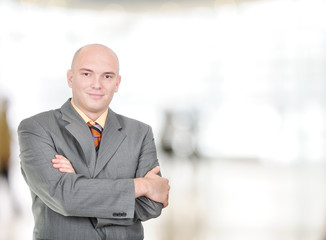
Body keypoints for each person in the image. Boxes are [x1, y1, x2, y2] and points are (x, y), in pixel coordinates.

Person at [18, 43, 170, 240]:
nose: (97, 84)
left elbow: (151, 206)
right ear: (70, 78)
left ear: (117, 83)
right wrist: (142, 185)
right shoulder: (37, 128)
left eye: (107, 76)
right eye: (87, 74)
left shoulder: (140, 133)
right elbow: (65, 198)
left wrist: (80, 187)